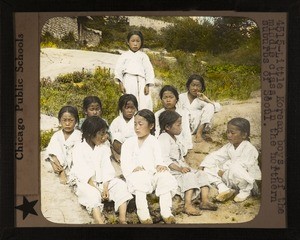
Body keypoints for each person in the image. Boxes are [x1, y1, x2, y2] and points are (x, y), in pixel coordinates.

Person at [71, 116, 133, 224]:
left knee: (121, 185)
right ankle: (99, 221)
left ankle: (122, 218)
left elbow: (106, 168)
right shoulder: (78, 148)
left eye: (105, 133)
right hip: (88, 182)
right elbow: (82, 171)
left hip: (103, 181)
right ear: (90, 134)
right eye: (101, 134)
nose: (104, 137)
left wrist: (105, 187)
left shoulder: (103, 147)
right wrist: (98, 190)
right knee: (91, 194)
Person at [120, 109, 178, 224]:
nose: (137, 127)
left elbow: (159, 158)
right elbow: (125, 162)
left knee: (165, 176)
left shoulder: (154, 141)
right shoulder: (129, 143)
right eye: (135, 124)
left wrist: (160, 166)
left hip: (152, 173)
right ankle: (144, 214)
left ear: (151, 125)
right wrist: (133, 168)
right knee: (140, 178)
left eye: (140, 124)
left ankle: (166, 212)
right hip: (137, 175)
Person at [158, 110, 218, 216]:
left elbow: (180, 157)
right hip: (172, 171)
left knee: (201, 173)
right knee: (189, 176)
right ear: (167, 127)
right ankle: (188, 205)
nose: (181, 127)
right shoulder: (163, 138)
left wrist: (185, 166)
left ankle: (204, 201)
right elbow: (165, 159)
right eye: (178, 124)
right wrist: (180, 169)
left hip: (181, 167)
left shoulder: (174, 138)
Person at [200, 117, 261, 203]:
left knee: (234, 166)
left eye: (232, 133)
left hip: (246, 181)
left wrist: (224, 170)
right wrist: (208, 164)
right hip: (230, 177)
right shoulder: (229, 146)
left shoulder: (249, 149)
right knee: (207, 168)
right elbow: (215, 156)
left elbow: (242, 167)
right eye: (228, 132)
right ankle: (223, 188)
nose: (229, 135)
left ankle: (245, 192)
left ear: (244, 135)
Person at [114, 30, 155, 111]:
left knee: (144, 102)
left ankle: (143, 121)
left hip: (142, 82)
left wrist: (147, 84)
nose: (135, 44)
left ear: (141, 42)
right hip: (128, 81)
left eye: (138, 41)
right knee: (128, 102)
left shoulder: (143, 56)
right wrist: (121, 83)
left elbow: (149, 70)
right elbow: (118, 70)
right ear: (128, 42)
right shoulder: (124, 55)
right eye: (133, 41)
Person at [177, 74, 221, 143]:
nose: (195, 88)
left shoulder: (201, 99)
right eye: (193, 85)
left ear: (202, 87)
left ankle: (199, 134)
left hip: (197, 126)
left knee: (210, 106)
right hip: (184, 126)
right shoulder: (181, 97)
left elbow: (217, 108)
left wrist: (206, 100)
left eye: (198, 86)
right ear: (188, 86)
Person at [45, 105, 82, 184]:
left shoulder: (79, 135)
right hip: (59, 162)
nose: (67, 123)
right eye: (64, 120)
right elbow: (51, 151)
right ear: (60, 121)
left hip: (73, 163)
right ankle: (60, 170)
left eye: (71, 120)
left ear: (76, 121)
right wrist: (54, 163)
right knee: (55, 146)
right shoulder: (57, 135)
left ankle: (64, 171)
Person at [154, 85, 192, 154]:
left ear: (176, 99)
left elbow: (186, 131)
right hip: (163, 142)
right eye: (165, 97)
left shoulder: (183, 113)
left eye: (171, 97)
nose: (168, 100)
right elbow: (157, 131)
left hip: (179, 141)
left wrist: (188, 146)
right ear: (161, 100)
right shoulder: (157, 114)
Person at [110, 94, 138, 163]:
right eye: (127, 108)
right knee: (116, 136)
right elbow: (112, 139)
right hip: (120, 150)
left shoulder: (138, 120)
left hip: (135, 149)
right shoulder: (116, 122)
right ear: (121, 108)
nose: (130, 111)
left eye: (132, 108)